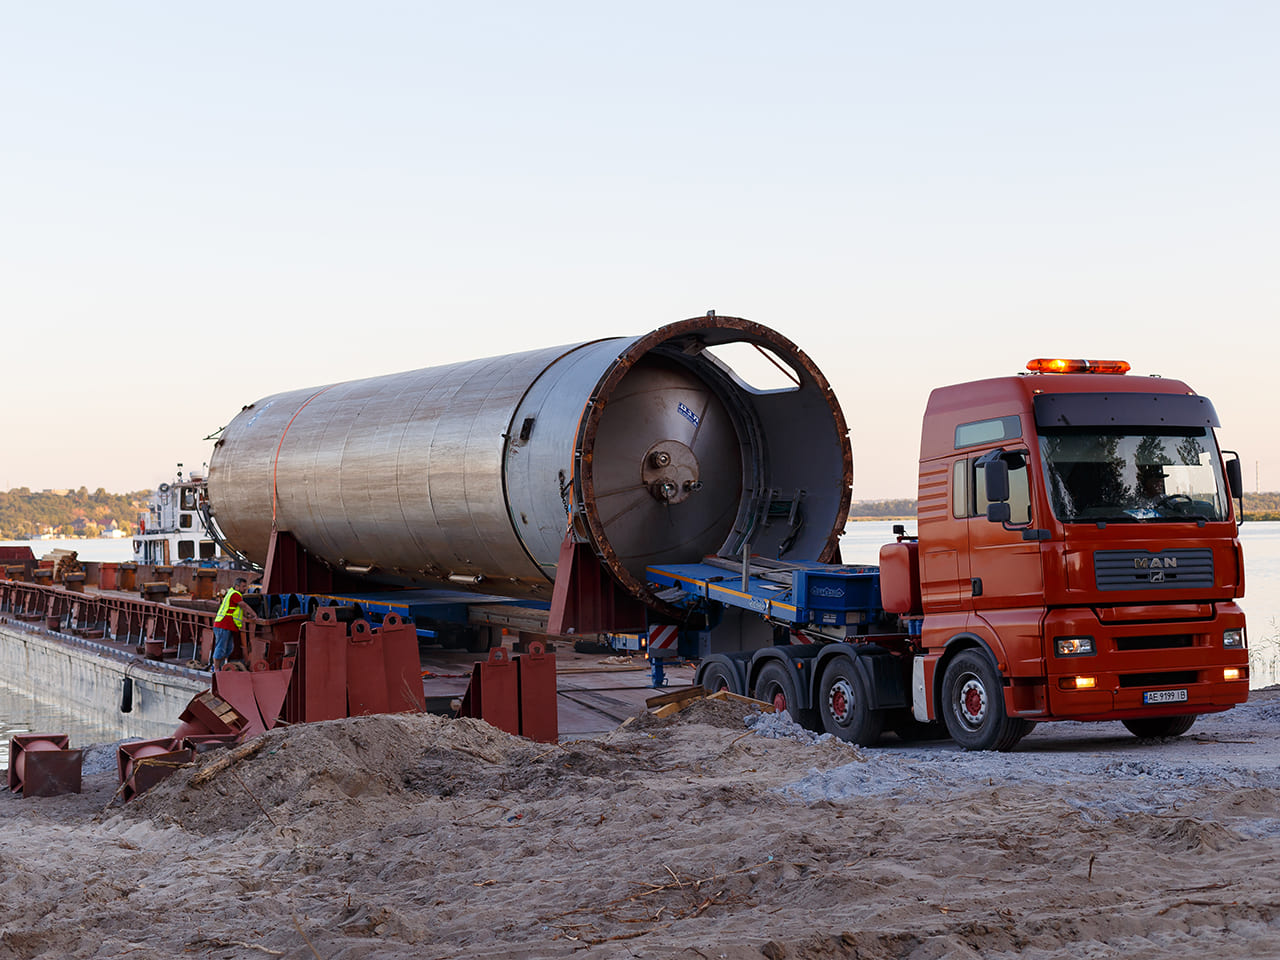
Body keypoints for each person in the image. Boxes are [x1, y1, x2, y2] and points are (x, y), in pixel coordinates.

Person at [211, 576, 257, 671]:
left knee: (228, 648)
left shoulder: (232, 594)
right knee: (221, 647)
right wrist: (254, 614)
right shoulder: (235, 594)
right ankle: (215, 669)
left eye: (246, 586)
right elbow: (243, 605)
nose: (245, 588)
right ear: (237, 586)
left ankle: (220, 667)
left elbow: (238, 609)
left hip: (227, 625)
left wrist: (247, 616)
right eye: (243, 586)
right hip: (223, 624)